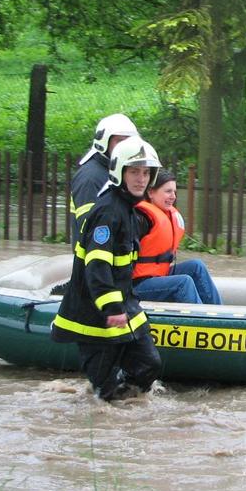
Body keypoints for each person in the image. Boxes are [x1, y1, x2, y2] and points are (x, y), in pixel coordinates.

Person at [51, 136, 163, 402]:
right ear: (119, 172)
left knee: (150, 365)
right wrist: (111, 307)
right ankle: (102, 417)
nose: (141, 179)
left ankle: (128, 407)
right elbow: (97, 265)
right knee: (105, 392)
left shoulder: (129, 209)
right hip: (96, 313)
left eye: (146, 173)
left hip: (125, 306)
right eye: (134, 172)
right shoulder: (108, 212)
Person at [132, 169, 222, 305]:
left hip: (157, 276)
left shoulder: (167, 215)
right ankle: (203, 324)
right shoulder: (140, 219)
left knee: (196, 266)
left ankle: (219, 316)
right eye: (168, 191)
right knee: (183, 282)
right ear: (150, 192)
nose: (173, 196)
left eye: (174, 192)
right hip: (136, 285)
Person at [70, 113, 139, 246]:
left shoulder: (116, 172)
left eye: (129, 141)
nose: (125, 146)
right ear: (104, 143)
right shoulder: (90, 178)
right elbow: (92, 230)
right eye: (120, 141)